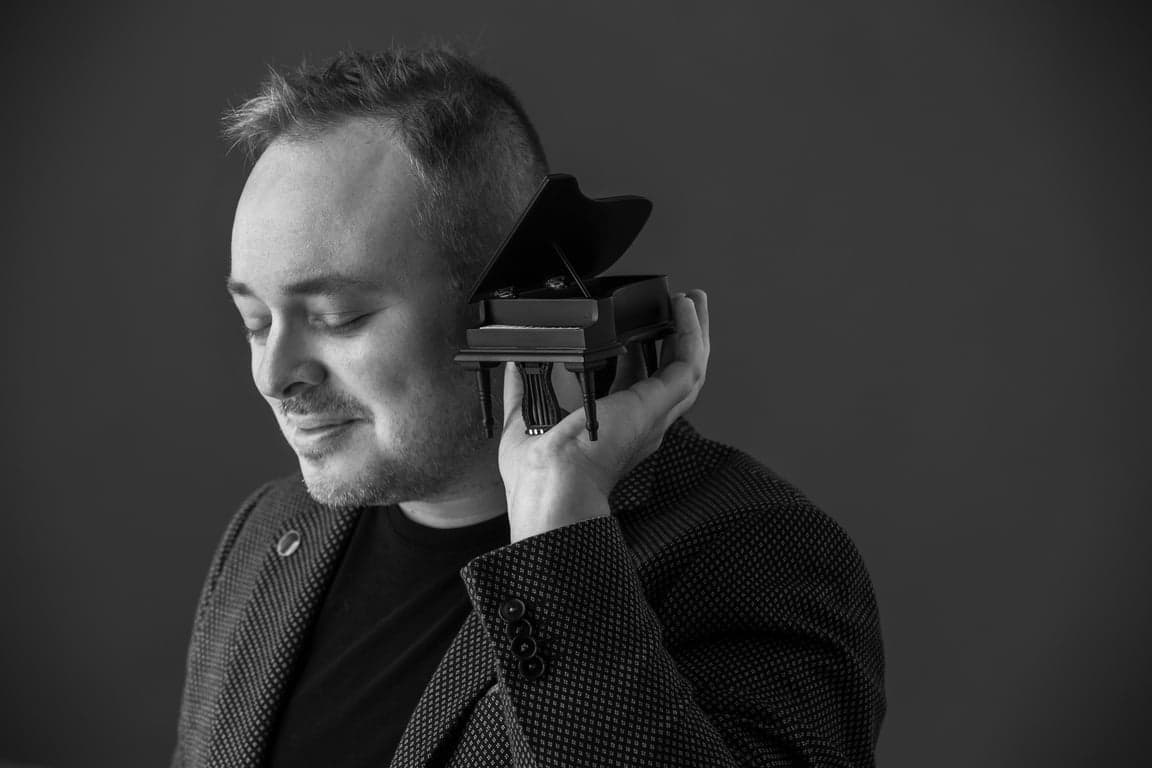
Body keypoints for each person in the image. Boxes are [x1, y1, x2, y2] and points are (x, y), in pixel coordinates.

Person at [171, 46, 886, 768]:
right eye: (255, 321)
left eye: (338, 317)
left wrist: (560, 535)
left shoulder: (763, 558)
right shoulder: (268, 535)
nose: (273, 376)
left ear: (507, 298)